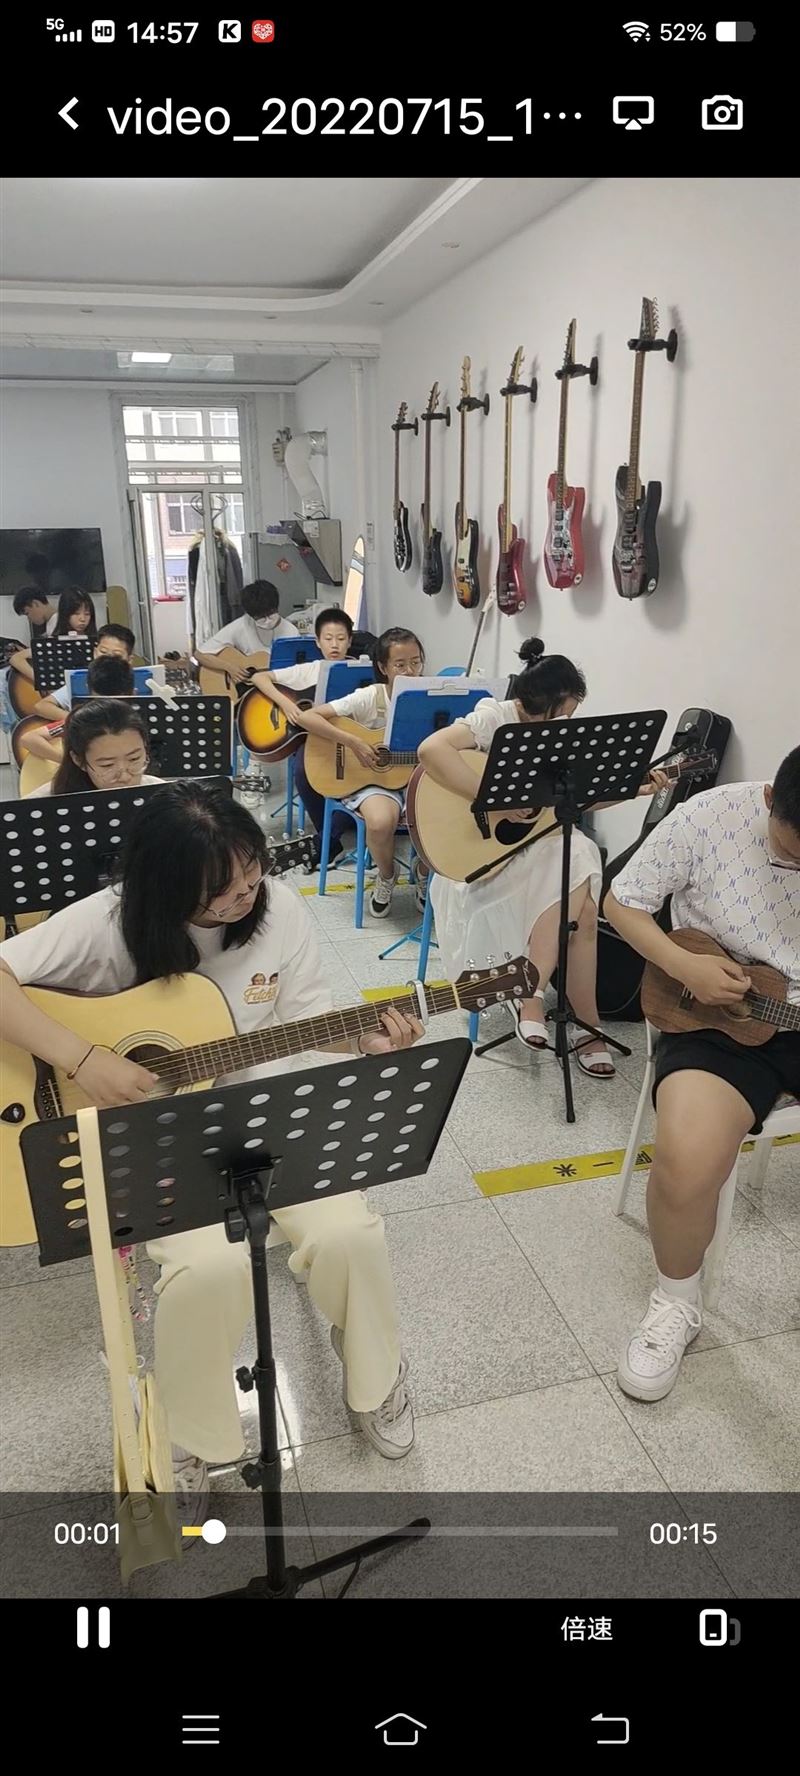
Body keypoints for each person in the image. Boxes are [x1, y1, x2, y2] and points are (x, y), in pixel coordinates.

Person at [0, 782, 423, 1512]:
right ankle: (193, 1434)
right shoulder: (109, 920)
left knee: (350, 1233)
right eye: (221, 892)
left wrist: (363, 1041)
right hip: (156, 1138)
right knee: (206, 1270)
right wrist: (82, 1057)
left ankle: (377, 1376)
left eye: (252, 876)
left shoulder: (279, 910)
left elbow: (306, 1019)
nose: (244, 897)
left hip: (269, 1114)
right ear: (164, 890)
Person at [605, 747, 800, 1402]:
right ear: (770, 800)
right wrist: (682, 964)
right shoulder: (710, 815)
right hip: (720, 1020)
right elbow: (623, 902)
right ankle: (675, 1302)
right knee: (686, 1162)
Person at [418, 639, 667, 1077]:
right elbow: (430, 750)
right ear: (540, 703)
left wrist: (636, 789)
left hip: (541, 850)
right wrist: (492, 797)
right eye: (563, 711)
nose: (567, 721)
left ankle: (540, 1000)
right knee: (580, 884)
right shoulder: (496, 718)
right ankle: (578, 1024)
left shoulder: (560, 737)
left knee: (580, 880)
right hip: (486, 859)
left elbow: (574, 804)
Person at [290, 626, 426, 918]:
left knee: (441, 815)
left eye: (416, 662)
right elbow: (307, 717)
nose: (410, 671)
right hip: (374, 781)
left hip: (418, 778)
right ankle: (387, 875)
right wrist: (353, 741)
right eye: (400, 665)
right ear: (383, 668)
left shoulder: (431, 697)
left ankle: (423, 873)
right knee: (379, 822)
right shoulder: (371, 696)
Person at [249, 606, 355, 862]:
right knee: (302, 771)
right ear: (317, 642)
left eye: (341, 638)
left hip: (349, 738)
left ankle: (327, 841)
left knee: (355, 775)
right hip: (313, 740)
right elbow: (260, 679)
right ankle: (326, 835)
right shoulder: (309, 670)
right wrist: (287, 704)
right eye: (328, 639)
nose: (335, 645)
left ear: (350, 641)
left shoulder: (360, 670)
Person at [23, 698, 161, 797]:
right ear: (79, 761)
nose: (124, 777)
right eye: (107, 765)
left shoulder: (159, 793)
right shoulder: (42, 804)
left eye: (134, 759)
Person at [22, 656, 138, 769]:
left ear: (88, 689)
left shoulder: (137, 720)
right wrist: (67, 762)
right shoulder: (84, 719)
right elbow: (29, 738)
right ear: (133, 692)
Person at [195, 580, 299, 686]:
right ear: (250, 615)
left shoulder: (291, 631)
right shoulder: (240, 625)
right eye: (260, 617)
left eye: (271, 613)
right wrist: (229, 667)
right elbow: (200, 654)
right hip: (243, 688)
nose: (267, 620)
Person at [31, 624, 136, 723]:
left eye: (117, 655)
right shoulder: (84, 679)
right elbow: (41, 706)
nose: (108, 658)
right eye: (103, 652)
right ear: (95, 652)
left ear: (130, 659)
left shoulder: (139, 680)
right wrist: (79, 720)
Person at [9, 590, 102, 690]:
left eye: (87, 614)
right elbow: (16, 659)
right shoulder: (56, 642)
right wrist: (42, 680)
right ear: (66, 615)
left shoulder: (97, 641)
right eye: (76, 613)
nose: (82, 619)